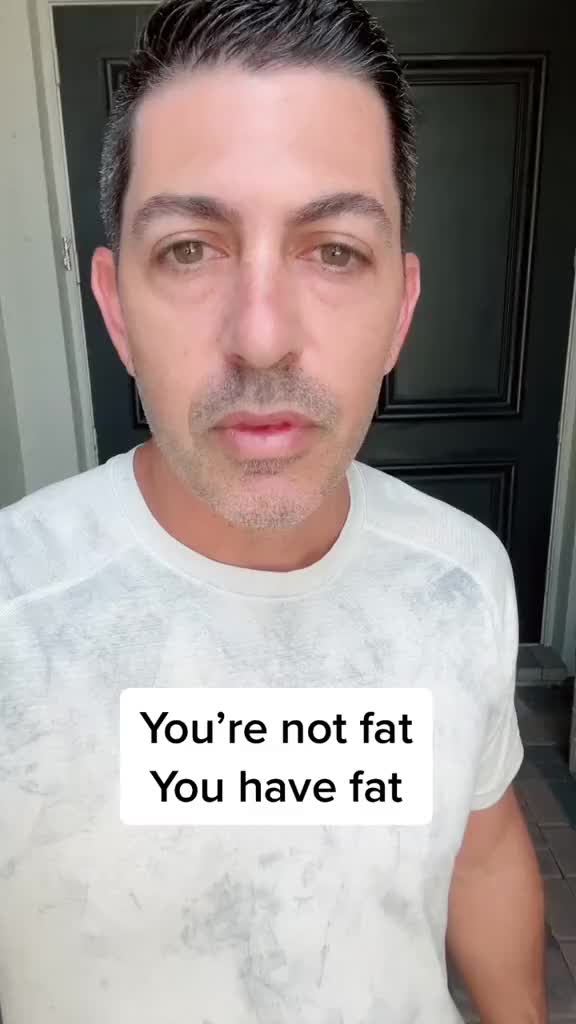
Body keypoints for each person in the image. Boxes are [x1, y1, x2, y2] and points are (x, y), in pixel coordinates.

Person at [0, 0, 547, 1021]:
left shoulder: (460, 579)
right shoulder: (16, 618)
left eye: (334, 250)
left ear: (400, 310)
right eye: (190, 249)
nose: (261, 337)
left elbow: (481, 848)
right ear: (116, 309)